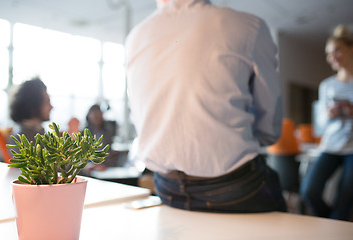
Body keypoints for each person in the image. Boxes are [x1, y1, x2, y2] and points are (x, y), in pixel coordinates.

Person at [125, 0, 286, 213]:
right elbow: (270, 121)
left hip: (167, 186)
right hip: (234, 184)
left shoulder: (135, 36)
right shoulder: (248, 26)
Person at [300, 25, 353, 221]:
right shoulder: (327, 86)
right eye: (329, 54)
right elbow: (320, 124)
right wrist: (329, 114)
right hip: (330, 145)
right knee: (309, 191)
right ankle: (333, 224)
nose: (333, 57)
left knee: (345, 200)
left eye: (337, 50)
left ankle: (336, 226)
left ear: (351, 48)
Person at [9, 77, 53, 142]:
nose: (51, 107)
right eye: (47, 102)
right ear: (33, 105)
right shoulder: (23, 140)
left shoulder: (37, 132)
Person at [84, 104, 119, 168]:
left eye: (98, 113)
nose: (96, 116)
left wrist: (101, 164)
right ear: (88, 116)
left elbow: (108, 152)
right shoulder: (84, 133)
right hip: (88, 166)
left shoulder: (108, 132)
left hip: (105, 165)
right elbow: (82, 155)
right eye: (94, 114)